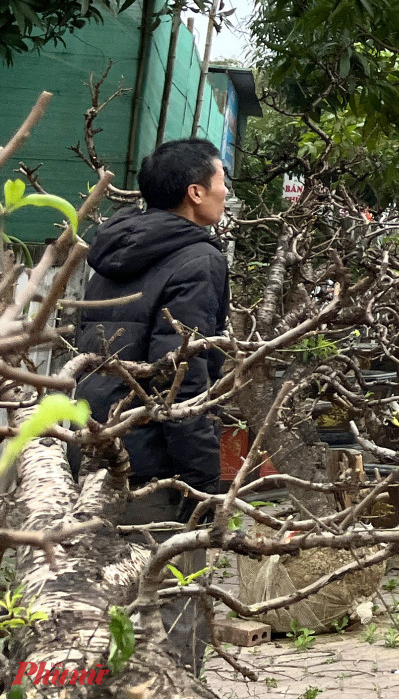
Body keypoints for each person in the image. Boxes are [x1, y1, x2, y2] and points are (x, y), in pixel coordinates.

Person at [75, 137, 233, 675]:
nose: (226, 192)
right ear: (195, 192)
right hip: (158, 468)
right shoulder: (198, 257)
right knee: (174, 607)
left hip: (93, 449)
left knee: (104, 604)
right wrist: (203, 480)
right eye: (220, 181)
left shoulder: (113, 250)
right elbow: (181, 381)